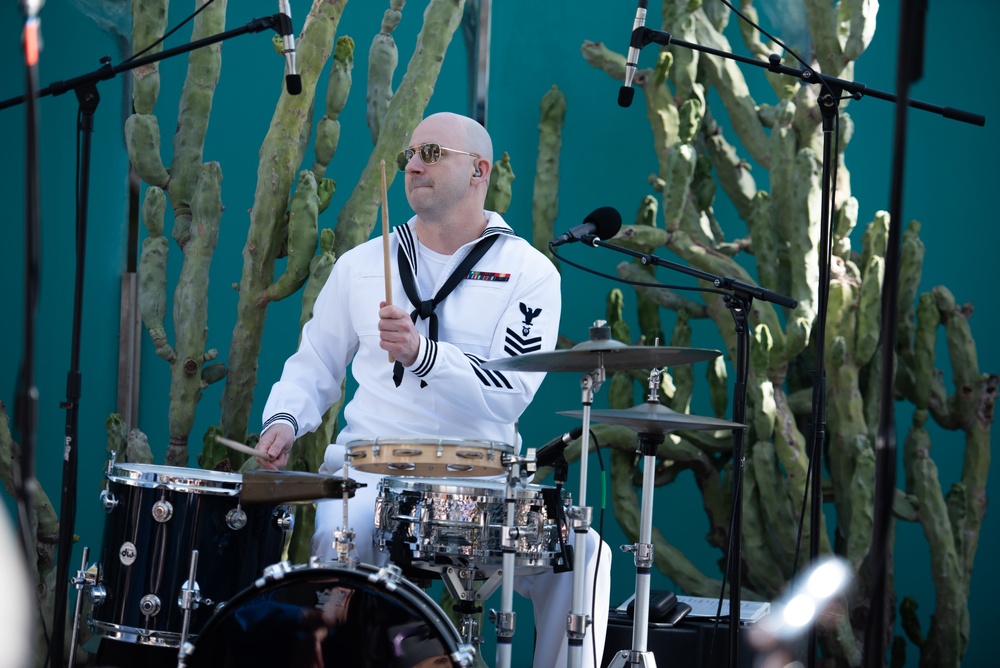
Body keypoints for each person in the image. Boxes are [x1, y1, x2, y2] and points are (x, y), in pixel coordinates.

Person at [256, 112, 611, 668]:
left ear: (478, 170)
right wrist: (283, 421)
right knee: (338, 531)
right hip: (372, 474)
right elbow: (314, 365)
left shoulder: (529, 272)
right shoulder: (360, 265)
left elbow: (511, 389)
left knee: (586, 551)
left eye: (431, 153)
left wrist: (423, 355)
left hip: (482, 484)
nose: (413, 165)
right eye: (408, 156)